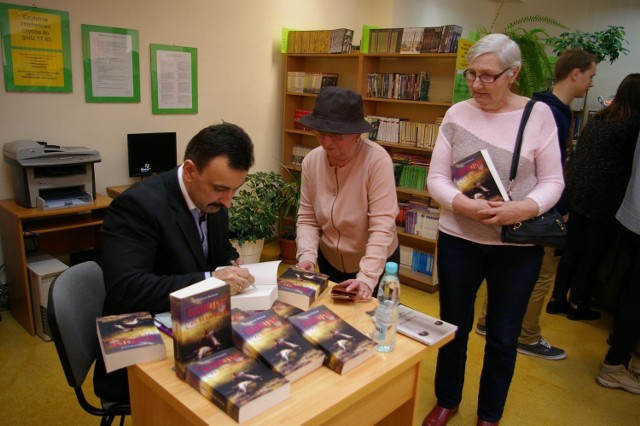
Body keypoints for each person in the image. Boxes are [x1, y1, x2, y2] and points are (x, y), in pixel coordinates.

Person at [423, 34, 564, 426]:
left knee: (503, 337)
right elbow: (436, 177)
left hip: (516, 246)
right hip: (458, 240)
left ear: (513, 74)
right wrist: (461, 204)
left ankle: (489, 415)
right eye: (472, 74)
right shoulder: (456, 114)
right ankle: (447, 400)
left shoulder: (538, 116)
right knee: (453, 326)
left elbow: (554, 181)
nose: (477, 84)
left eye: (488, 76)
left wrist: (524, 207)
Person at [95, 122, 257, 403]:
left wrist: (229, 261)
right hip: (145, 354)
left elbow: (215, 253)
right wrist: (211, 280)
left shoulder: (214, 199)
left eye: (235, 189)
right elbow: (126, 289)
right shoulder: (138, 206)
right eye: (221, 189)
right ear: (191, 171)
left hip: (201, 333)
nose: (229, 201)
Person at [476, 48, 597, 360]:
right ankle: (527, 335)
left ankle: (490, 321)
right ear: (576, 73)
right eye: (591, 76)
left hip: (521, 207)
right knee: (541, 275)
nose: (591, 84)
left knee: (505, 267)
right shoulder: (550, 113)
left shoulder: (537, 106)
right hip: (534, 210)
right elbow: (551, 173)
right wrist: (559, 207)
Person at [547, 74, 640, 320]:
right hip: (605, 197)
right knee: (593, 252)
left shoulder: (600, 117)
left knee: (573, 247)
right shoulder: (632, 126)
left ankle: (557, 298)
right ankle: (579, 303)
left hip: (579, 190)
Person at [295, 86, 399, 301]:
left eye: (336, 136)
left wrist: (367, 278)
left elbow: (382, 227)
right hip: (329, 259)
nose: (325, 143)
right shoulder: (311, 161)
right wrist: (306, 255)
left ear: (357, 134)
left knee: (373, 326)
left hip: (374, 262)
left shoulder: (377, 162)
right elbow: (307, 218)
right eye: (321, 133)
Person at [596, 131, 640, 395]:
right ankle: (615, 363)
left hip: (632, 215)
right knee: (635, 293)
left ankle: (622, 352)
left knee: (631, 288)